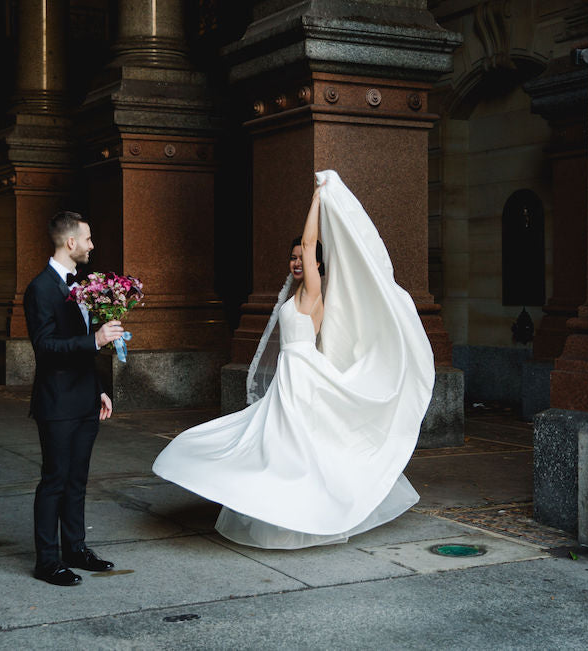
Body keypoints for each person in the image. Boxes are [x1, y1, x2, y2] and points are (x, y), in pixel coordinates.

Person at [153, 170, 434, 549]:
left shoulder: (313, 290)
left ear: (316, 263)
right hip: (292, 374)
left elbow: (310, 238)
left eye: (302, 258)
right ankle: (284, 510)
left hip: (302, 375)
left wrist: (319, 197)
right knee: (277, 444)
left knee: (290, 446)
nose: (296, 262)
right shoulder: (297, 293)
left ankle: (306, 512)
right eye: (292, 258)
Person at [23, 211, 126, 585]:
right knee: (54, 480)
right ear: (70, 243)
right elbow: (45, 347)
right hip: (57, 403)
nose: (92, 245)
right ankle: (47, 561)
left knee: (78, 480)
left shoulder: (79, 286)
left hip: (84, 397)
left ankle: (75, 549)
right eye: (88, 238)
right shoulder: (40, 288)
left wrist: (98, 388)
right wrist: (95, 340)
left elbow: (80, 348)